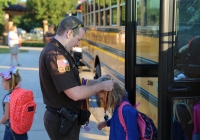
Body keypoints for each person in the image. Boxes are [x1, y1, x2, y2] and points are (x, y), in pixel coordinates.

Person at [39, 16, 114, 140]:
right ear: (69, 33)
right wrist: (101, 86)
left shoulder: (59, 51)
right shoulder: (57, 56)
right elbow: (75, 93)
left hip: (64, 118)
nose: (78, 43)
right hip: (62, 121)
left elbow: (75, 83)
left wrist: (97, 81)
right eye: (78, 39)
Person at [0, 65, 28, 140]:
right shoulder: (21, 94)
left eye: (2, 82)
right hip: (22, 129)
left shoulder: (8, 97)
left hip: (11, 131)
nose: (1, 84)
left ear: (9, 83)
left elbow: (6, 117)